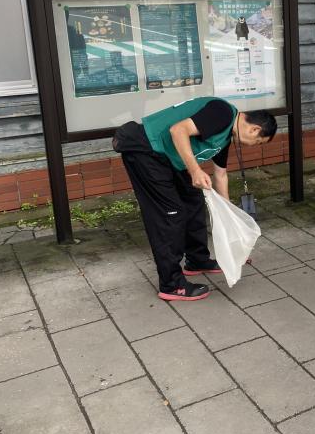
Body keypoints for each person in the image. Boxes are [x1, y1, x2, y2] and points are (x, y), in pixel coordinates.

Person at [113, 97, 276, 301]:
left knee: (193, 200)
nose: (254, 146)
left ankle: (197, 260)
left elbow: (220, 175)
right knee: (170, 214)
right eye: (258, 142)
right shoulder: (222, 113)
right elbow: (178, 130)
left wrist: (229, 217)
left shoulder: (226, 135)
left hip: (168, 157)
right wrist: (195, 170)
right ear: (254, 130)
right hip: (146, 149)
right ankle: (171, 285)